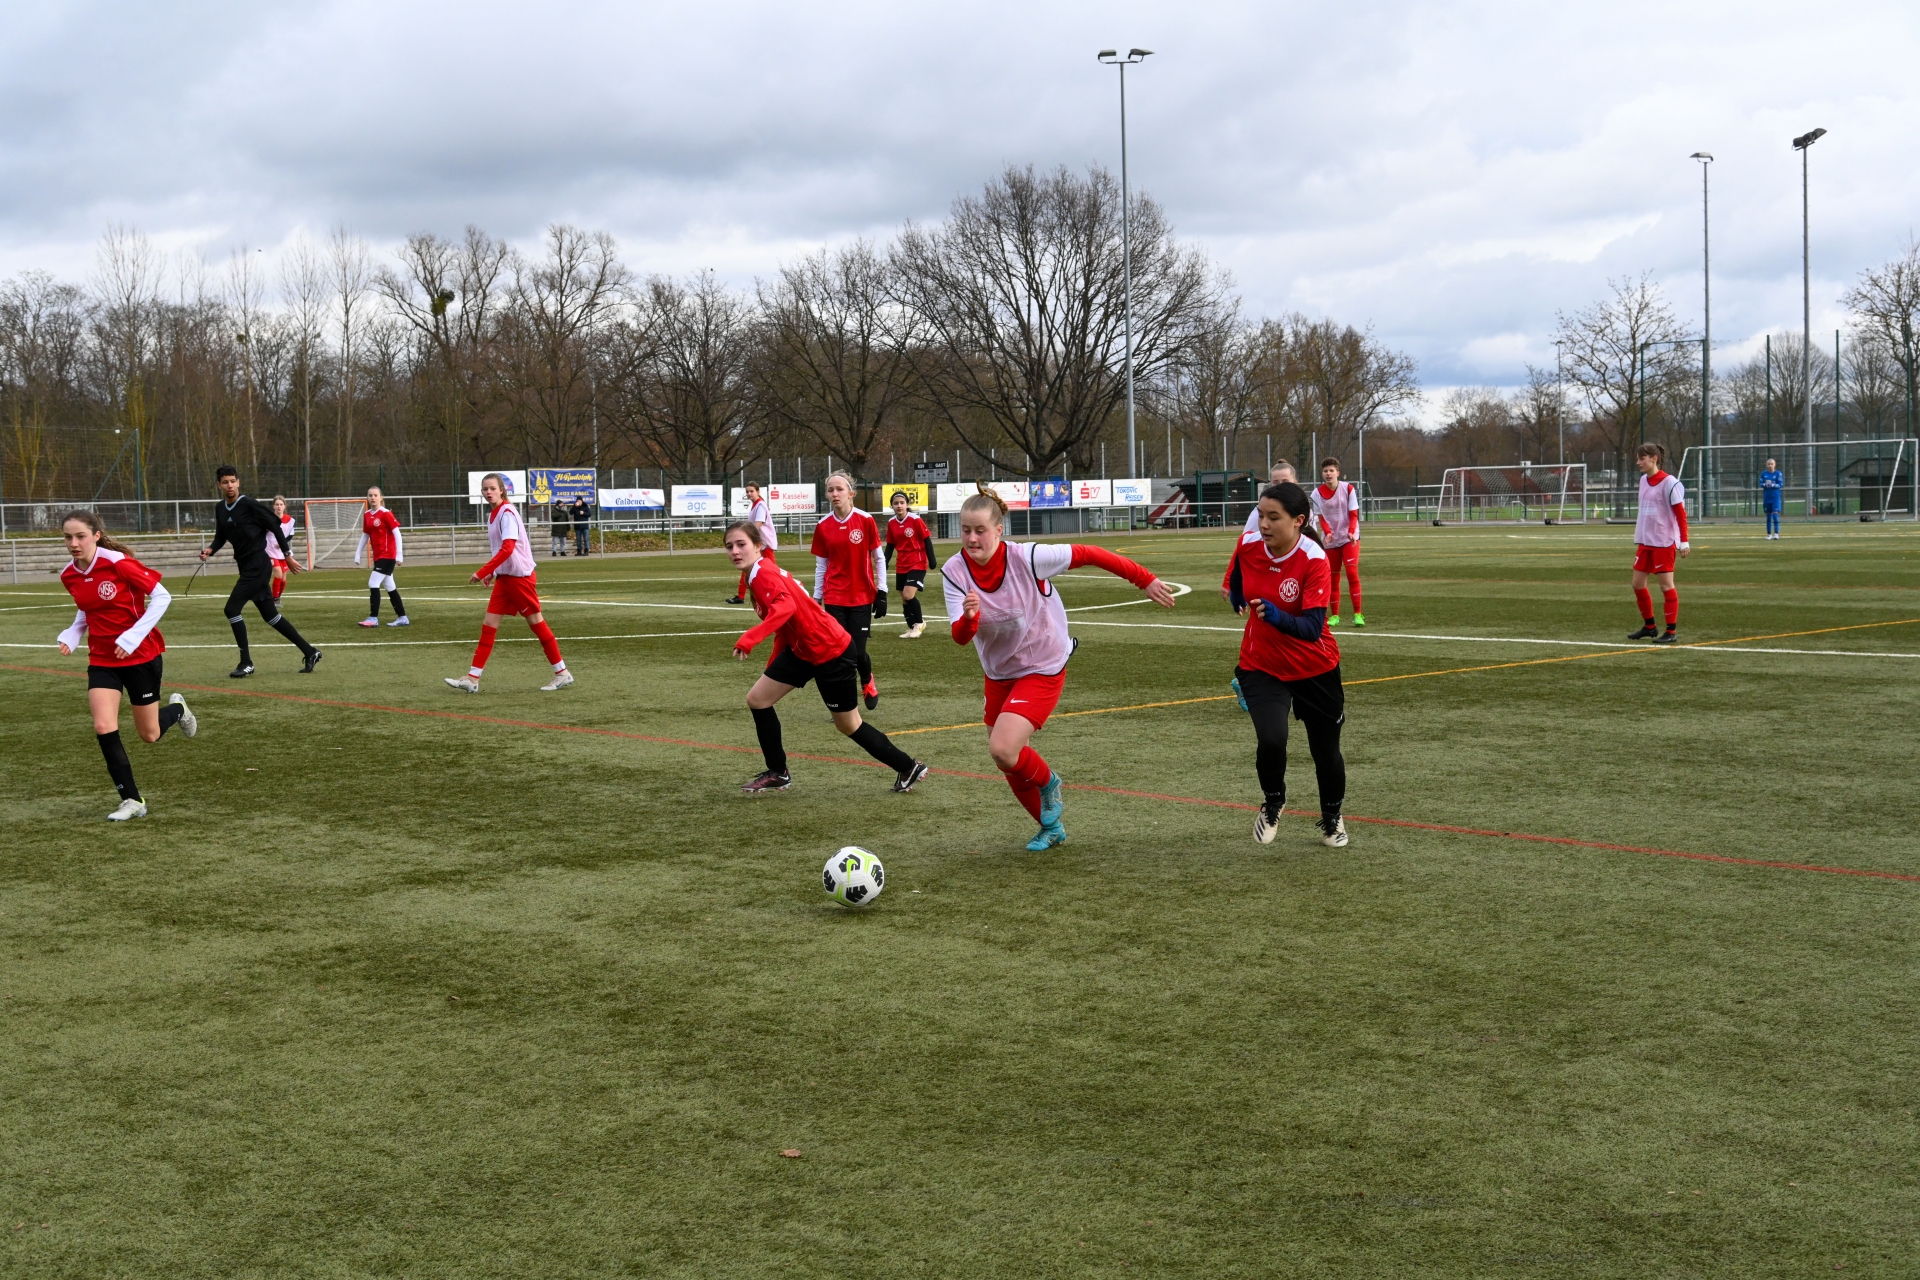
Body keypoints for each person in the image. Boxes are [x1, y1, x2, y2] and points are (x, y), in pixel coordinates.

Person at [942, 485, 1176, 851]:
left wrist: (1143, 579)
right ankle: (1050, 828)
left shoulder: (1029, 557)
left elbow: (1090, 553)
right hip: (999, 672)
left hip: (1043, 664)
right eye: (966, 530)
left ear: (999, 530)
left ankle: (1049, 782)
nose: (972, 538)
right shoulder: (954, 571)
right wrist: (970, 618)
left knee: (1003, 749)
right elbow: (959, 636)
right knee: (1008, 760)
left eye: (980, 530)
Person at [725, 520, 929, 795]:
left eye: (741, 544)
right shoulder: (757, 573)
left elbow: (785, 607)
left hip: (830, 650)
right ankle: (778, 772)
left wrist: (750, 638)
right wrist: (774, 665)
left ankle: (908, 767)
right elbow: (786, 626)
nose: (735, 551)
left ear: (758, 546)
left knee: (848, 725)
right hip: (803, 649)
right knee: (758, 700)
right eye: (730, 546)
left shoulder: (763, 574)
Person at [1226, 482, 1350, 848]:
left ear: (1298, 521)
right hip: (1261, 663)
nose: (1263, 524)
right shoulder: (1248, 544)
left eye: (1273, 517)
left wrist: (1276, 615)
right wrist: (1237, 597)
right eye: (1260, 514)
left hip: (1315, 667)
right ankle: (1273, 802)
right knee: (1271, 738)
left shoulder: (1314, 559)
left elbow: (1311, 629)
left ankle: (1332, 818)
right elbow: (1237, 576)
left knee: (1325, 751)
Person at [56, 510, 198, 821]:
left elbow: (162, 597)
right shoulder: (68, 574)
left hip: (141, 656)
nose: (74, 543)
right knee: (103, 726)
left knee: (149, 734)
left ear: (96, 535)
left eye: (80, 536)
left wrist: (133, 636)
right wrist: (73, 632)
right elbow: (85, 610)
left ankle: (178, 710)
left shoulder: (118, 563)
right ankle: (132, 800)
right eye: (68, 537)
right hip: (102, 659)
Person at [445, 473, 574, 692]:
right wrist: (494, 572)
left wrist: (483, 571)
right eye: (485, 489)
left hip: (519, 579)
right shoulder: (494, 514)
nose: (488, 492)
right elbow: (501, 550)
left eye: (492, 488)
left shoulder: (507, 513)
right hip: (505, 579)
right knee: (488, 625)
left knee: (537, 623)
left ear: (501, 490)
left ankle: (562, 672)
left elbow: (508, 548)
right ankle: (472, 679)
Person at [200, 465, 320, 677]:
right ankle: (310, 652)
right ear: (219, 485)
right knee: (271, 616)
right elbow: (221, 536)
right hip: (245, 566)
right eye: (225, 482)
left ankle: (246, 663)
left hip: (258, 565)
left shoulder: (249, 504)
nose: (230, 485)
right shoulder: (220, 508)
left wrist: (287, 555)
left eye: (233, 481)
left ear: (238, 482)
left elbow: (275, 524)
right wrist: (210, 549)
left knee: (231, 609)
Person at [1227, 460, 1300, 710]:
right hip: (1270, 580)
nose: (1279, 486)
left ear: (1295, 482)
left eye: (1285, 482)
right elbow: (1243, 548)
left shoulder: (1303, 509)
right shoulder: (1259, 513)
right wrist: (1232, 586)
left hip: (1295, 579)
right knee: (1270, 635)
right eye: (1275, 482)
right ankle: (1247, 682)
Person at [811, 471, 886, 709]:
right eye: (830, 490)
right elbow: (821, 565)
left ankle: (867, 679)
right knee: (838, 653)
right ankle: (845, 705)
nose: (834, 494)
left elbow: (879, 558)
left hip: (861, 596)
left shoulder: (865, 520)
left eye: (839, 489)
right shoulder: (823, 525)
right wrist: (816, 598)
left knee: (857, 652)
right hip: (834, 597)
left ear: (851, 493)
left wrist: (882, 591)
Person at [1628, 442, 1689, 644]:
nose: (1638, 462)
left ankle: (1671, 631)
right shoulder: (1643, 480)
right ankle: (1650, 626)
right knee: (1637, 584)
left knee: (1666, 586)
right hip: (1645, 542)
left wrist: (1684, 541)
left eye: (1642, 458)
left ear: (1654, 459)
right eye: (1638, 459)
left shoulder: (1670, 483)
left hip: (1663, 542)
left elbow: (1681, 515)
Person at [1311, 456, 1364, 627]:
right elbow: (1321, 517)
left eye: (1331, 470)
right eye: (1325, 471)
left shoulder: (1348, 489)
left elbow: (1354, 514)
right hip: (1331, 541)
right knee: (1333, 578)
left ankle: (1358, 614)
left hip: (1349, 538)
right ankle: (1335, 615)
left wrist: (1351, 532)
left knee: (1352, 573)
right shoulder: (1316, 494)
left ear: (1338, 473)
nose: (1328, 473)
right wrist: (1327, 533)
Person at [353, 486, 409, 628]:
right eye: (370, 495)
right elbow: (365, 535)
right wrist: (358, 553)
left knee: (373, 583)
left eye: (375, 495)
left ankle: (373, 618)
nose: (372, 497)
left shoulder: (386, 514)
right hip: (378, 556)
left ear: (380, 497)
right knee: (390, 586)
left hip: (388, 555)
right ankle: (402, 617)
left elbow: (397, 533)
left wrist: (399, 555)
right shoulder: (367, 515)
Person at [884, 490, 934, 639]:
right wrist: (885, 562)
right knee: (904, 598)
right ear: (892, 506)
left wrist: (932, 559)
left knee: (908, 594)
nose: (899, 506)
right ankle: (911, 627)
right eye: (896, 503)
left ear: (907, 504)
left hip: (917, 562)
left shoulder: (915, 519)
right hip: (901, 563)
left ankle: (920, 623)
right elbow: (890, 545)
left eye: (902, 503)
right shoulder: (891, 523)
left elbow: (926, 539)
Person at [725, 481, 778, 603]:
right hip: (759, 543)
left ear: (758, 492)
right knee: (747, 566)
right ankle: (740, 596)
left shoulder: (760, 506)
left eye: (751, 491)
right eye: (747, 492)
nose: (749, 494)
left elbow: (758, 524)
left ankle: (782, 591)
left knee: (773, 571)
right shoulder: (756, 505)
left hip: (764, 544)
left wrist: (747, 536)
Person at [265, 495, 296, 601]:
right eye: (277, 504)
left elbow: (291, 535)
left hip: (283, 551)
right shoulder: (268, 519)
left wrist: (283, 543)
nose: (279, 506)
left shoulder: (290, 520)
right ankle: (274, 600)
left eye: (281, 504)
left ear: (284, 506)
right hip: (270, 551)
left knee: (283, 579)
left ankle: (278, 597)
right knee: (278, 573)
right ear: (273, 506)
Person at [1760, 458, 1785, 539]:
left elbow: (1780, 484)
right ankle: (1769, 534)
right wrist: (1765, 484)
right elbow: (1760, 484)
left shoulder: (1778, 473)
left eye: (1771, 464)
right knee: (1768, 517)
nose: (1770, 465)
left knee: (1775, 516)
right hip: (1767, 497)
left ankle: (1776, 534)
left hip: (1775, 497)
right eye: (1769, 464)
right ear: (1766, 465)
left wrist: (1773, 485)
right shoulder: (1763, 474)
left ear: (1774, 465)